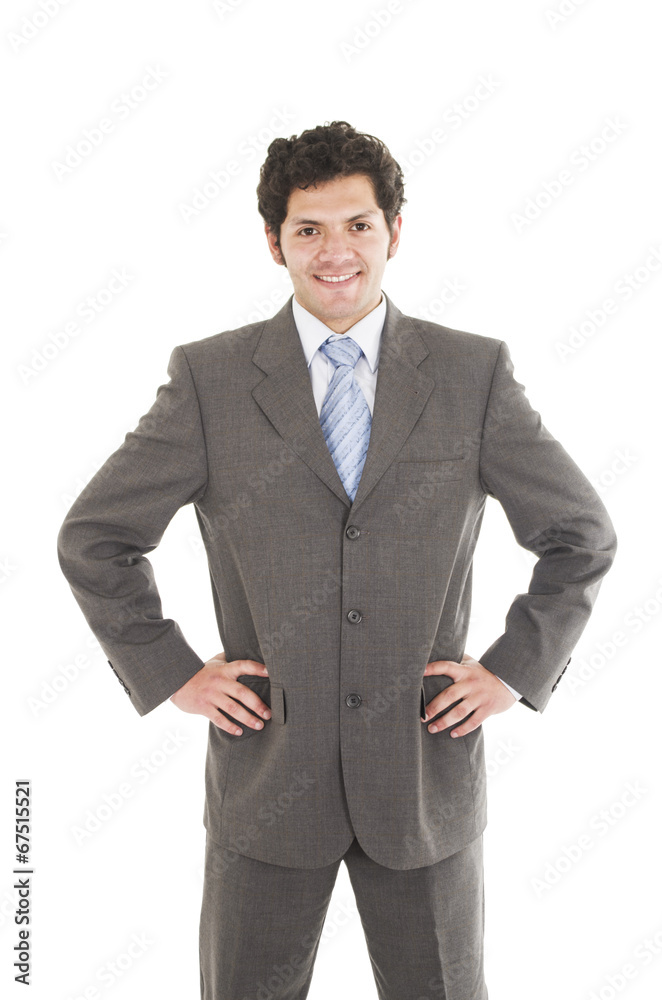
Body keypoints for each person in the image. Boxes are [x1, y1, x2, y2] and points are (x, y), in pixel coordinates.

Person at [57, 120, 618, 999]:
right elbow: (95, 537)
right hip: (266, 780)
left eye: (357, 225)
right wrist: (172, 672)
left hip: (425, 779)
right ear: (273, 242)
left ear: (396, 231)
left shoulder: (472, 376)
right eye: (308, 229)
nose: (335, 253)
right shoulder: (209, 381)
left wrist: (513, 671)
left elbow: (581, 534)